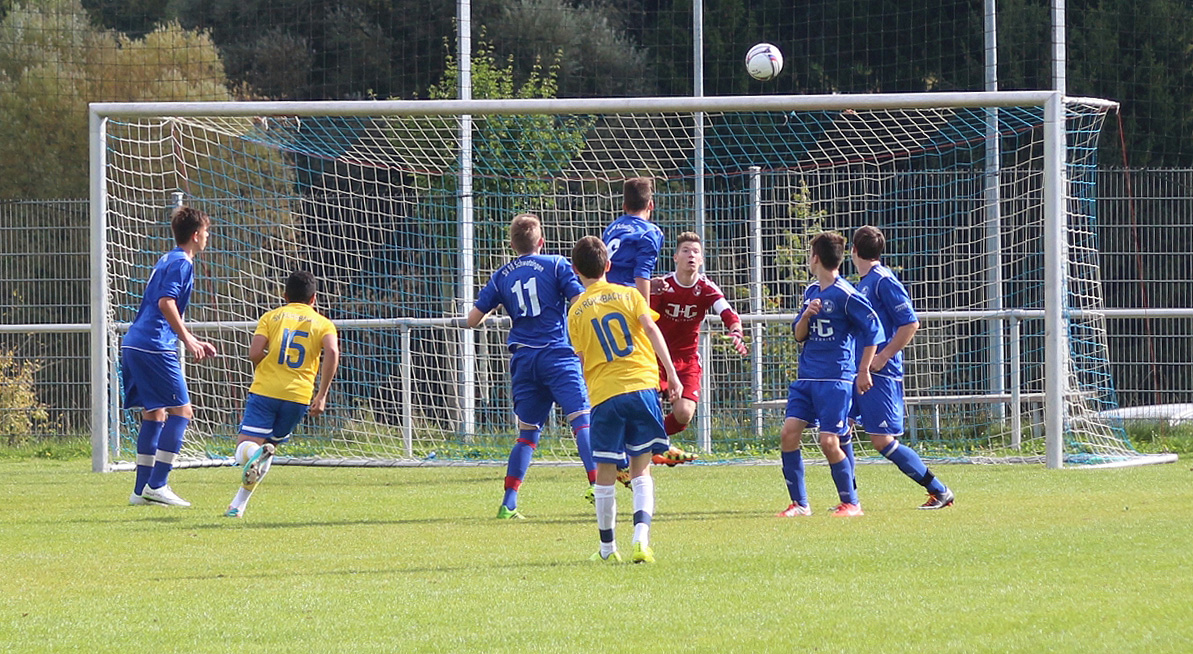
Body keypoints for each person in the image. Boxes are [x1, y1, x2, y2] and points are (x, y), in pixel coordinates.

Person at [467, 214, 598, 519]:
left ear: (512, 245)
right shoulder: (555, 264)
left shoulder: (501, 275)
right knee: (581, 421)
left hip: (524, 360)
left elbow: (474, 319)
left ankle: (509, 503)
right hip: (557, 354)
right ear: (541, 241)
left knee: (527, 434)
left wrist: (494, 308)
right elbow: (580, 301)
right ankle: (597, 485)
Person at [568, 236, 682, 563]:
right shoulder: (630, 294)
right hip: (643, 386)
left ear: (576, 270)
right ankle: (641, 542)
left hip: (605, 394)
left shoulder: (575, 310)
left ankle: (607, 550)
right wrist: (671, 375)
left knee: (605, 471)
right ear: (608, 265)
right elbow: (651, 329)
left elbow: (580, 358)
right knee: (641, 469)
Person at [848, 225, 954, 509]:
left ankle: (939, 490)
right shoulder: (865, 282)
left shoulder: (883, 280)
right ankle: (849, 501)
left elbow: (910, 323)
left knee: (882, 440)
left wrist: (882, 357)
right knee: (838, 428)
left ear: (853, 250)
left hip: (879, 372)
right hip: (860, 369)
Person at [777, 231, 882, 518]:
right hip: (807, 378)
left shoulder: (847, 295)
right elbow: (799, 335)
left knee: (828, 442)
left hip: (836, 379)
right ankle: (800, 504)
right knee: (788, 433)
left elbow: (874, 332)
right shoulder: (811, 292)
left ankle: (851, 503)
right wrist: (807, 315)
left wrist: (863, 370)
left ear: (815, 258)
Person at [224, 270, 339, 518]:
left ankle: (250, 464)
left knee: (245, 450)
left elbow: (254, 353)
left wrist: (269, 364)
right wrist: (322, 395)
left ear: (284, 295)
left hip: (266, 391)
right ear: (314, 299)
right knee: (267, 451)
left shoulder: (271, 317)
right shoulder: (323, 323)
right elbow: (332, 351)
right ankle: (237, 506)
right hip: (298, 396)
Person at [123, 205, 217, 507]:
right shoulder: (182, 263)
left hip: (135, 342)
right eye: (205, 232)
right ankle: (158, 483)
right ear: (195, 234)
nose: (207, 237)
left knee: (155, 413)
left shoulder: (167, 258)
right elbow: (166, 302)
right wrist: (188, 339)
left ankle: (141, 491)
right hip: (153, 345)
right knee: (182, 411)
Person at [600, 176, 695, 465]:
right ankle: (656, 446)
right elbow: (639, 274)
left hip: (603, 305)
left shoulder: (611, 227)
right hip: (627, 311)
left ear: (624, 204)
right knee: (646, 376)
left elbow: (615, 271)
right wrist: (642, 308)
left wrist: (646, 285)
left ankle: (623, 455)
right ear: (650, 205)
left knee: (616, 381)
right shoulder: (650, 232)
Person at [649, 231, 749, 464]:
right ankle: (648, 448)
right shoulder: (663, 286)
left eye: (696, 252)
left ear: (702, 260)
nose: (691, 256)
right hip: (656, 357)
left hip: (687, 360)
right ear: (675, 257)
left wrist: (736, 329)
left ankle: (653, 442)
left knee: (684, 413)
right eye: (685, 251)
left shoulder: (705, 288)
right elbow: (646, 319)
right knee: (647, 407)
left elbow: (727, 311)